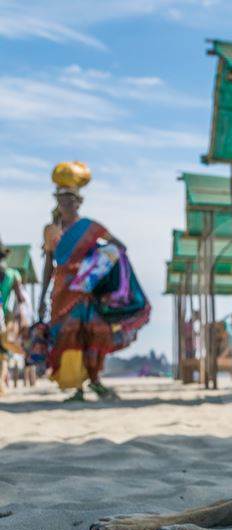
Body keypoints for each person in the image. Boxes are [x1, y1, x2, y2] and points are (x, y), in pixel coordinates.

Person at [38, 164, 147, 401]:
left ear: (79, 202)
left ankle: (95, 380)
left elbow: (118, 246)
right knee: (69, 336)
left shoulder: (90, 227)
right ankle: (77, 387)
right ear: (57, 201)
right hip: (61, 293)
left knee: (93, 333)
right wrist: (41, 298)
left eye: (71, 199)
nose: (67, 203)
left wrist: (97, 263)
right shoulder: (50, 231)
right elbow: (48, 265)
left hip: (86, 292)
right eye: (63, 198)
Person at [0, 239, 30, 394]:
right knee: (3, 354)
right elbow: (21, 300)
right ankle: (0, 385)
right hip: (5, 319)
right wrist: (21, 319)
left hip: (4, 318)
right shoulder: (12, 275)